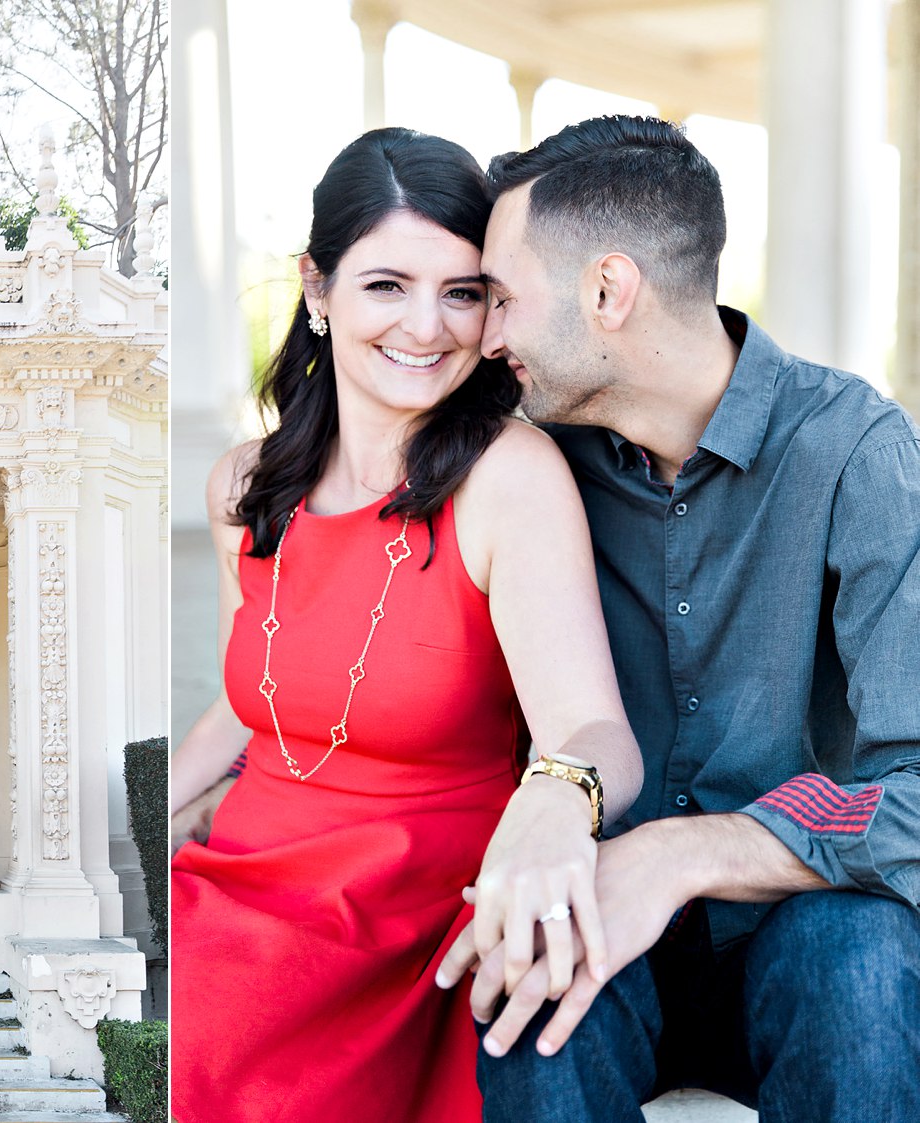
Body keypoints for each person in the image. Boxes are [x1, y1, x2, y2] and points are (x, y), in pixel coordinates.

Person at [433, 115, 920, 1121]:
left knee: (857, 960)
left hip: (805, 932)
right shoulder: (531, 470)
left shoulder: (857, 453)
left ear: (608, 292)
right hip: (608, 943)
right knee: (530, 975)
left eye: (507, 297)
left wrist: (679, 853)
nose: (488, 335)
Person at [170, 127, 644, 1123]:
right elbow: (242, 705)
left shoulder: (508, 478)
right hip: (239, 881)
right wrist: (119, 825)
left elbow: (593, 731)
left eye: (462, 292)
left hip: (400, 914)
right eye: (387, 285)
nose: (427, 327)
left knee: (205, 1035)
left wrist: (560, 803)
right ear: (317, 288)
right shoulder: (244, 487)